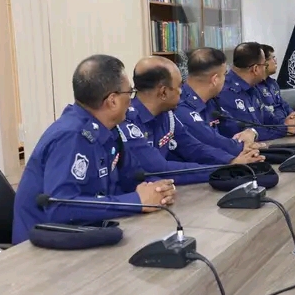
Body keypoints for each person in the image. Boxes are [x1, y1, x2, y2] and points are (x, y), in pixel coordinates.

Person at [12, 55, 176, 245]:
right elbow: (60, 207)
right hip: (40, 248)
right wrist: (136, 201)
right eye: (129, 92)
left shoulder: (109, 129)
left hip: (89, 233)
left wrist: (159, 189)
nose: (132, 101)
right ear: (112, 101)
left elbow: (133, 176)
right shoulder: (70, 137)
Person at [121, 56, 264, 185]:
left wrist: (230, 161)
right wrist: (224, 169)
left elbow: (193, 147)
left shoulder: (167, 115)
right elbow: (161, 168)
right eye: (179, 86)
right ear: (163, 92)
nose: (182, 91)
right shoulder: (128, 123)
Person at [217, 42, 295, 139]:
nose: (265, 69)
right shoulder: (226, 91)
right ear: (255, 69)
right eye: (265, 65)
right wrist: (284, 129)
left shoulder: (252, 87)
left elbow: (268, 119)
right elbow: (244, 131)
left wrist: (289, 123)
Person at [257, 44, 295, 123]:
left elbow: (283, 104)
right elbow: (266, 115)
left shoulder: (273, 83)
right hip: (275, 126)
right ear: (264, 62)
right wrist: (284, 124)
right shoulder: (255, 86)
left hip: (286, 124)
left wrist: (294, 115)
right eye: (273, 58)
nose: (275, 61)